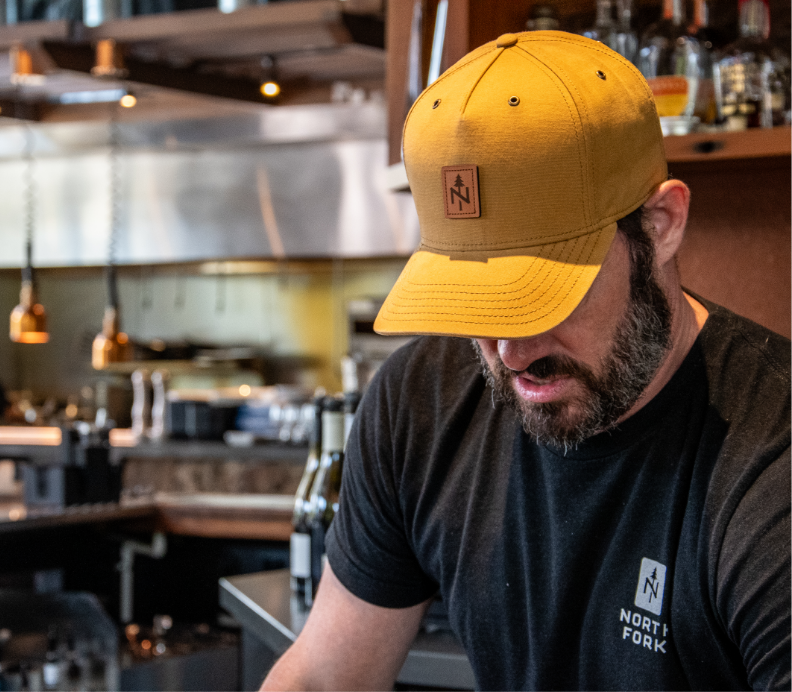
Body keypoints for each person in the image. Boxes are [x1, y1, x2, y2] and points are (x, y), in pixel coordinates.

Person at [262, 31, 792, 691]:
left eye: (546, 297)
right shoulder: (418, 403)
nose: (510, 354)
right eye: (476, 300)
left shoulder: (770, 465)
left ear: (660, 225)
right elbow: (323, 677)